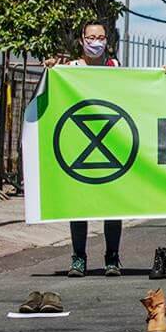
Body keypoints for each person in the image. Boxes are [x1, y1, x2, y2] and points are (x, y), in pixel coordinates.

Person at [44, 21, 124, 277]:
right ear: (81, 40)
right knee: (78, 203)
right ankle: (78, 258)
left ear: (107, 40)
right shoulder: (69, 70)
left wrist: (165, 75)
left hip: (112, 141)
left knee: (113, 203)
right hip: (79, 141)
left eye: (100, 37)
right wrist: (50, 70)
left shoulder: (115, 68)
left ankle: (112, 257)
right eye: (91, 37)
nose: (95, 42)